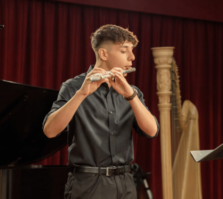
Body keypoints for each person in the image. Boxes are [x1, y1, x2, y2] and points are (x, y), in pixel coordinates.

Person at [43, 24, 159, 199]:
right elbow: (50, 131)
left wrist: (130, 95)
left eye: (132, 50)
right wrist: (81, 94)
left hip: (126, 182)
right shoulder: (73, 87)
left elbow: (152, 131)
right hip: (89, 184)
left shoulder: (132, 91)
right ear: (104, 54)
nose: (132, 57)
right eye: (124, 50)